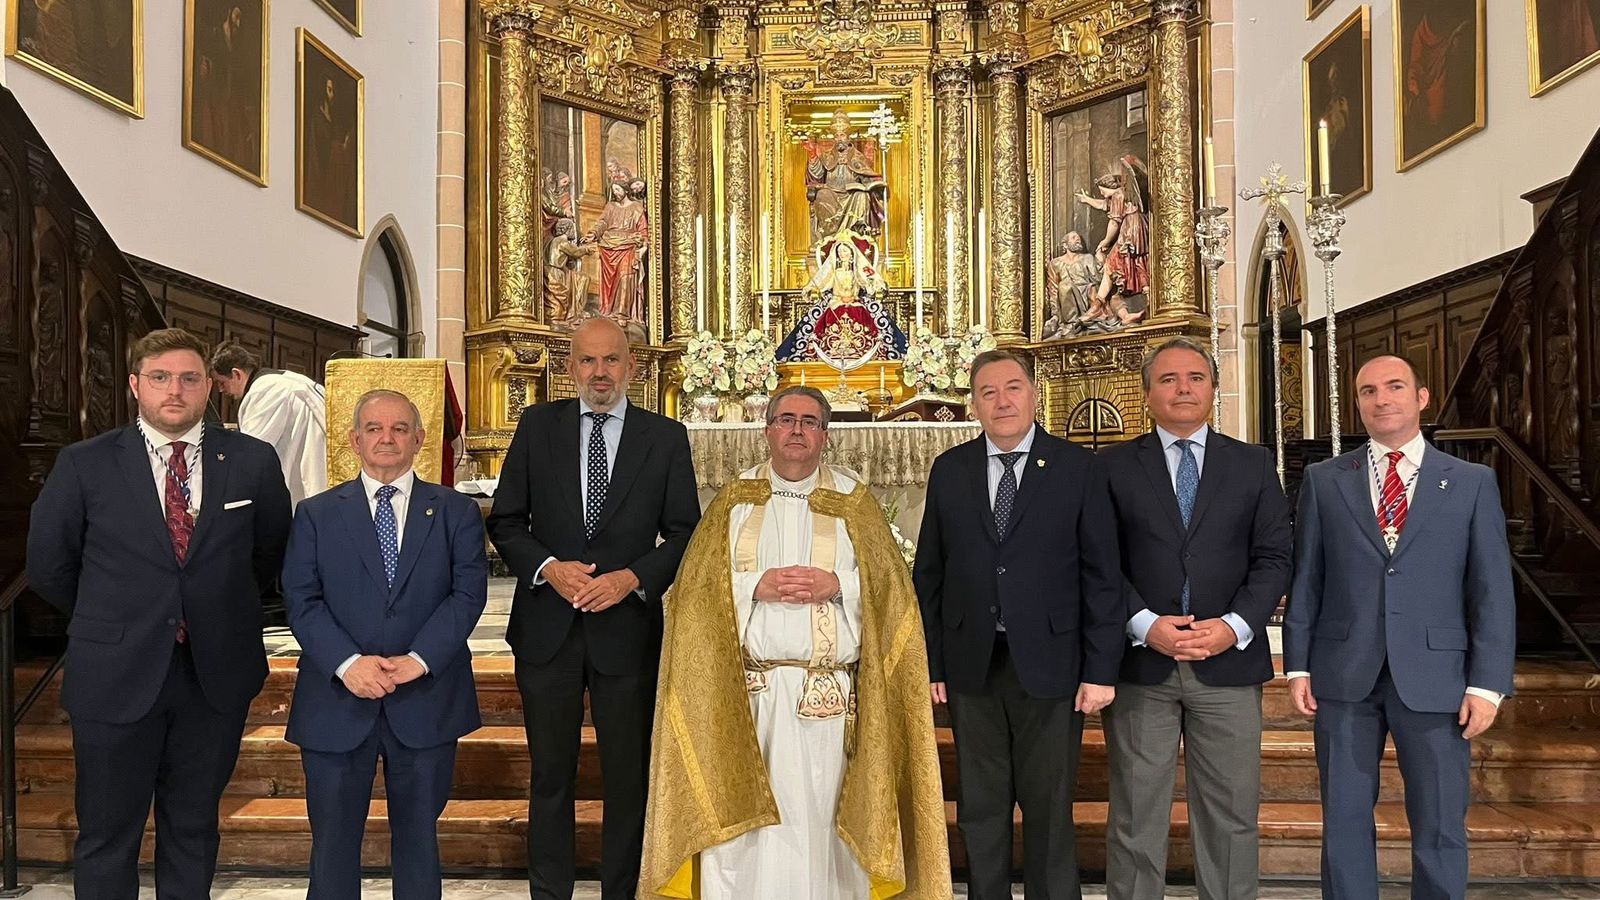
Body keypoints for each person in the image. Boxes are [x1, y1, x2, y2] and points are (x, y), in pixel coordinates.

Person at [639, 386, 950, 900]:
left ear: (825, 434)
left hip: (824, 704)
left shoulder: (854, 501)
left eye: (809, 421)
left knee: (821, 826)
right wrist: (750, 586)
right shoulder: (733, 501)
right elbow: (690, 595)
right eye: (786, 419)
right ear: (768, 430)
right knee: (742, 837)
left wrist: (840, 585)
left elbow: (894, 600)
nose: (797, 430)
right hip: (744, 700)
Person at [26, 327, 292, 900]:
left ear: (209, 388)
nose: (176, 390)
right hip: (114, 674)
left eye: (189, 378)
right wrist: (117, 617)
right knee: (105, 833)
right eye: (161, 378)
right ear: (135, 386)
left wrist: (208, 608)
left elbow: (270, 551)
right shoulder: (84, 464)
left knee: (194, 828)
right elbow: (49, 564)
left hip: (213, 673)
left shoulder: (251, 460)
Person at [1285, 355, 1516, 900]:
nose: (1381, 399)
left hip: (1437, 678)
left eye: (1394, 387)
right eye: (1368, 391)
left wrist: (1487, 685)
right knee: (1343, 819)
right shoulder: (1324, 480)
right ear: (1358, 404)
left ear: (1422, 398)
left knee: (1438, 824)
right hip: (1343, 675)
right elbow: (1308, 578)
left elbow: (1490, 590)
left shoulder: (1471, 482)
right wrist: (1297, 664)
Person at [485, 317, 701, 900]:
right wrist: (548, 568)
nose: (599, 373)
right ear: (569, 366)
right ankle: (549, 893)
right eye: (587, 361)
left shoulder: (665, 437)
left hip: (626, 632)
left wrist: (632, 577)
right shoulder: (538, 427)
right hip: (548, 630)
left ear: (632, 367)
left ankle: (621, 893)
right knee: (550, 778)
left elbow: (686, 534)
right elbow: (505, 520)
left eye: (611, 361)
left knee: (627, 781)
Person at [914, 348, 1123, 900]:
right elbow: (930, 572)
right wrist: (932, 661)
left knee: (1049, 806)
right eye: (988, 392)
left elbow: (1103, 575)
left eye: (1012, 388)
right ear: (974, 404)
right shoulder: (950, 469)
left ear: (1034, 395)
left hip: (1053, 663)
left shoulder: (1078, 467)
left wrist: (1101, 669)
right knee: (980, 808)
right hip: (970, 664)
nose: (1001, 401)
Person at [1100, 338, 1293, 900]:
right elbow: (1099, 559)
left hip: (1228, 664)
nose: (1182, 388)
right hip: (1141, 666)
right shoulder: (1111, 466)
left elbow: (1275, 555)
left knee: (1232, 816)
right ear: (1145, 395)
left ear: (1212, 389)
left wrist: (1233, 625)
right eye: (1167, 379)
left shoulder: (1252, 462)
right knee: (1136, 816)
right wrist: (1143, 622)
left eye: (1194, 377)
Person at [280, 388, 488, 900]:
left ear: (420, 438)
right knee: (332, 843)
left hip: (425, 697)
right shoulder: (316, 513)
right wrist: (348, 663)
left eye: (399, 428)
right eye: (374, 428)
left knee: (419, 840)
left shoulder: (457, 511)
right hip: (337, 698)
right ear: (354, 440)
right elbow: (301, 600)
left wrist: (419, 660)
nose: (387, 438)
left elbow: (468, 595)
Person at [211, 340, 330, 509]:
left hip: (305, 477)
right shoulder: (284, 380)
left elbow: (251, 450)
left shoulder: (265, 390)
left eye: (221, 383)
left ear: (236, 374)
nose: (222, 390)